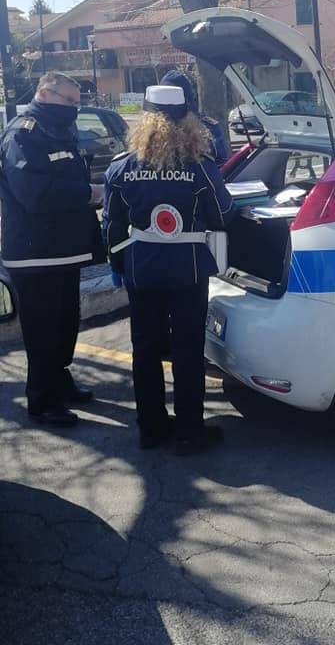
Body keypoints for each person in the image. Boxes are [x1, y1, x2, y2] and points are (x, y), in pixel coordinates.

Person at [104, 84, 233, 455]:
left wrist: (118, 265)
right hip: (188, 271)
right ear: (186, 121)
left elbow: (111, 225)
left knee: (144, 350)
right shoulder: (199, 168)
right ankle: (190, 432)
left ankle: (151, 428)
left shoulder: (121, 168)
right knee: (187, 349)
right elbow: (223, 215)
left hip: (140, 270)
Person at [0, 71, 103, 427]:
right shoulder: (24, 134)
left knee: (64, 324)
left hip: (64, 249)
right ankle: (42, 400)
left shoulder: (57, 129)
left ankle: (59, 380)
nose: (75, 109)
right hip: (35, 251)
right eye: (69, 101)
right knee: (42, 330)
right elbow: (34, 193)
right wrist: (89, 194)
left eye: (78, 102)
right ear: (45, 94)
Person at [160, 69, 230, 166]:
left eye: (173, 95)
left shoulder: (208, 128)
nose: (168, 101)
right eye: (164, 95)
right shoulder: (149, 128)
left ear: (186, 98)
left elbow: (221, 164)